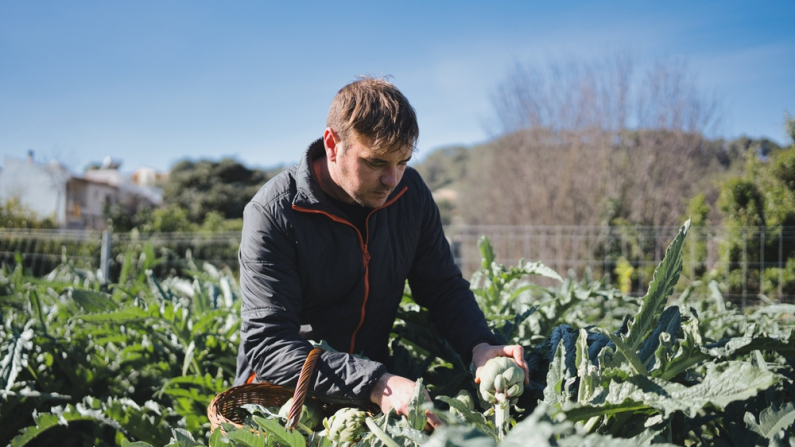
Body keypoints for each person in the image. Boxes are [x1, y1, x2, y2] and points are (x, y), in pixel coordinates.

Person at [234, 76, 528, 426]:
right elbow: (269, 344)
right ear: (332, 144)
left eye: (402, 161)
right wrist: (376, 383)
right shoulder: (275, 211)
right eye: (375, 163)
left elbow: (442, 287)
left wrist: (479, 345)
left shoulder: (411, 194)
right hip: (283, 401)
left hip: (368, 398)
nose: (393, 179)